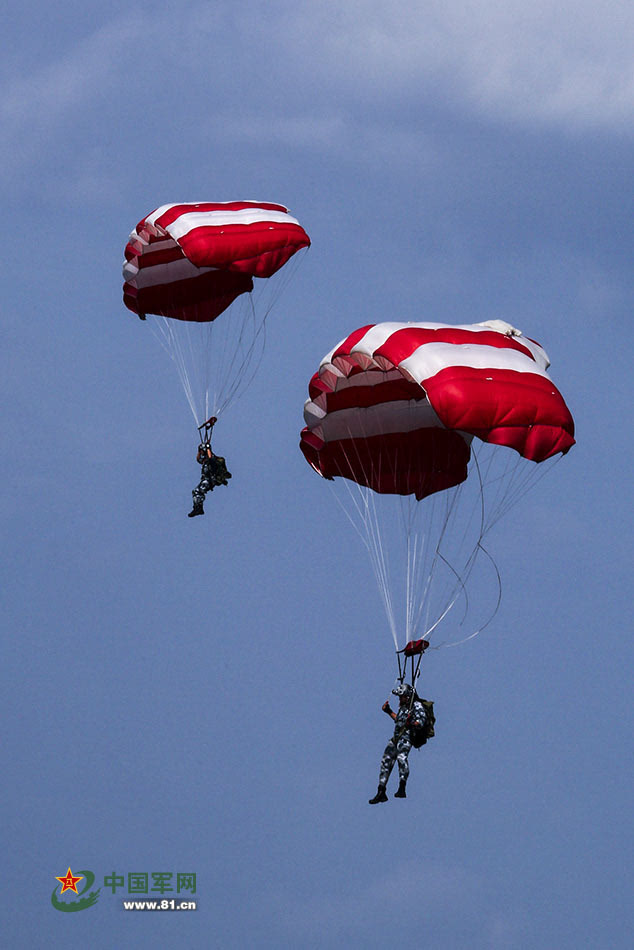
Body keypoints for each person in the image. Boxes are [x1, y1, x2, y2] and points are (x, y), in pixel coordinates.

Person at [368, 683, 427, 804]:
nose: (399, 699)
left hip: (406, 738)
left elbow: (421, 722)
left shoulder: (416, 706)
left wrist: (412, 723)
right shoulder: (403, 707)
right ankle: (381, 791)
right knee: (386, 761)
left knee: (401, 758)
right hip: (396, 738)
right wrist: (389, 711)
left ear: (407, 696)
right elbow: (399, 720)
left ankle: (402, 787)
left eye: (401, 697)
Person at [188, 418, 231, 517]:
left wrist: (207, 448)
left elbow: (211, 458)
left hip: (209, 480)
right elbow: (198, 460)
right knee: (196, 492)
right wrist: (199, 450)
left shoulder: (212, 461)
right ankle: (198, 508)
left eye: (202, 452)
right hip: (206, 480)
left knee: (197, 491)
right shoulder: (205, 461)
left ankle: (198, 508)